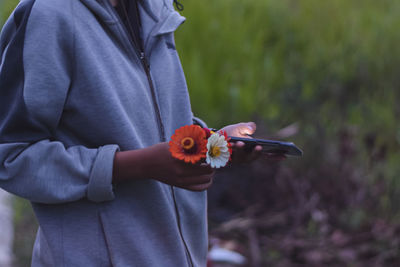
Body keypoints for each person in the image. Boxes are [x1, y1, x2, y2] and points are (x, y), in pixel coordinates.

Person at [0, 0, 281, 266]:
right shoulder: (50, 16)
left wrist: (211, 143)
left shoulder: (151, 9)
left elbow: (144, 123)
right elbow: (10, 156)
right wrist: (136, 166)